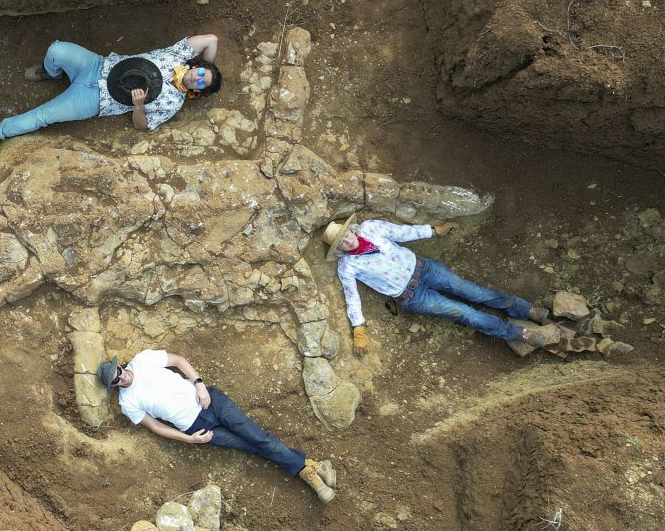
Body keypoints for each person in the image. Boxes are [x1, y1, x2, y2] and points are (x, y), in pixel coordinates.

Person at [98, 350, 337, 503]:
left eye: (118, 372)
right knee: (253, 446)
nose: (121, 377)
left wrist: (199, 384)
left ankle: (307, 472)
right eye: (115, 380)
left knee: (259, 439)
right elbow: (155, 426)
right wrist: (189, 439)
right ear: (115, 386)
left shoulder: (142, 361)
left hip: (211, 402)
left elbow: (178, 361)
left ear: (119, 365)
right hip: (196, 428)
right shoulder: (127, 403)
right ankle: (313, 466)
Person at [323, 214, 560, 354]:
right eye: (341, 243)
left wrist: (433, 231)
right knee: (467, 314)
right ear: (339, 250)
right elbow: (351, 296)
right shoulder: (348, 266)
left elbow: (402, 233)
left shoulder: (371, 228)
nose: (347, 240)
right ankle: (520, 333)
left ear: (350, 229)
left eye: (345, 234)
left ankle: (525, 309)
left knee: (475, 292)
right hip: (413, 297)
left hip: (425, 268)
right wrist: (358, 327)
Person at [0, 34, 223, 150]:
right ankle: (53, 73)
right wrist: (211, 67)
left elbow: (143, 127)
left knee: (43, 117)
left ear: (198, 91)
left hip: (96, 100)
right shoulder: (178, 56)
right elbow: (211, 40)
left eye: (202, 83)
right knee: (56, 49)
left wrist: (138, 106)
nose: (197, 78)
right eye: (201, 73)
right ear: (197, 66)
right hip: (97, 65)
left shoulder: (173, 103)